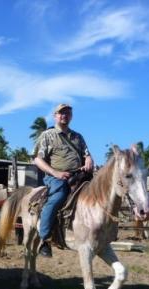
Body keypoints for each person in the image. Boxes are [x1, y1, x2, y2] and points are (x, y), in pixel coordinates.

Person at [33, 103, 94, 257]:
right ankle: (45, 239)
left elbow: (87, 153)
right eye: (61, 113)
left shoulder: (78, 137)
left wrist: (88, 159)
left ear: (71, 116)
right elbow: (38, 160)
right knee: (59, 196)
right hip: (55, 177)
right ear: (55, 116)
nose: (64, 115)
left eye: (67, 113)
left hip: (78, 175)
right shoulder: (47, 135)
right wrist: (56, 173)